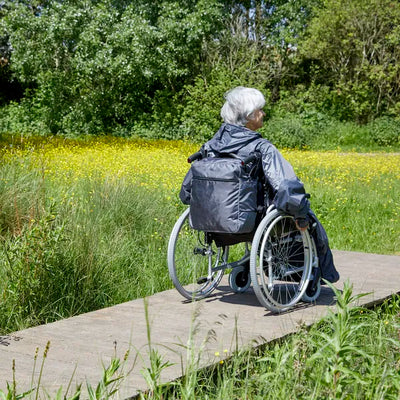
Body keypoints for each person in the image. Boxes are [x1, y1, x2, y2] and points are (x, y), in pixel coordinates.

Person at [179, 86, 339, 283]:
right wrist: (301, 213)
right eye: (260, 110)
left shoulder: (211, 146)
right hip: (255, 221)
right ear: (249, 116)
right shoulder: (262, 148)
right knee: (307, 218)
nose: (263, 114)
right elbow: (285, 185)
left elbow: (186, 193)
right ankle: (316, 274)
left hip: (213, 222)